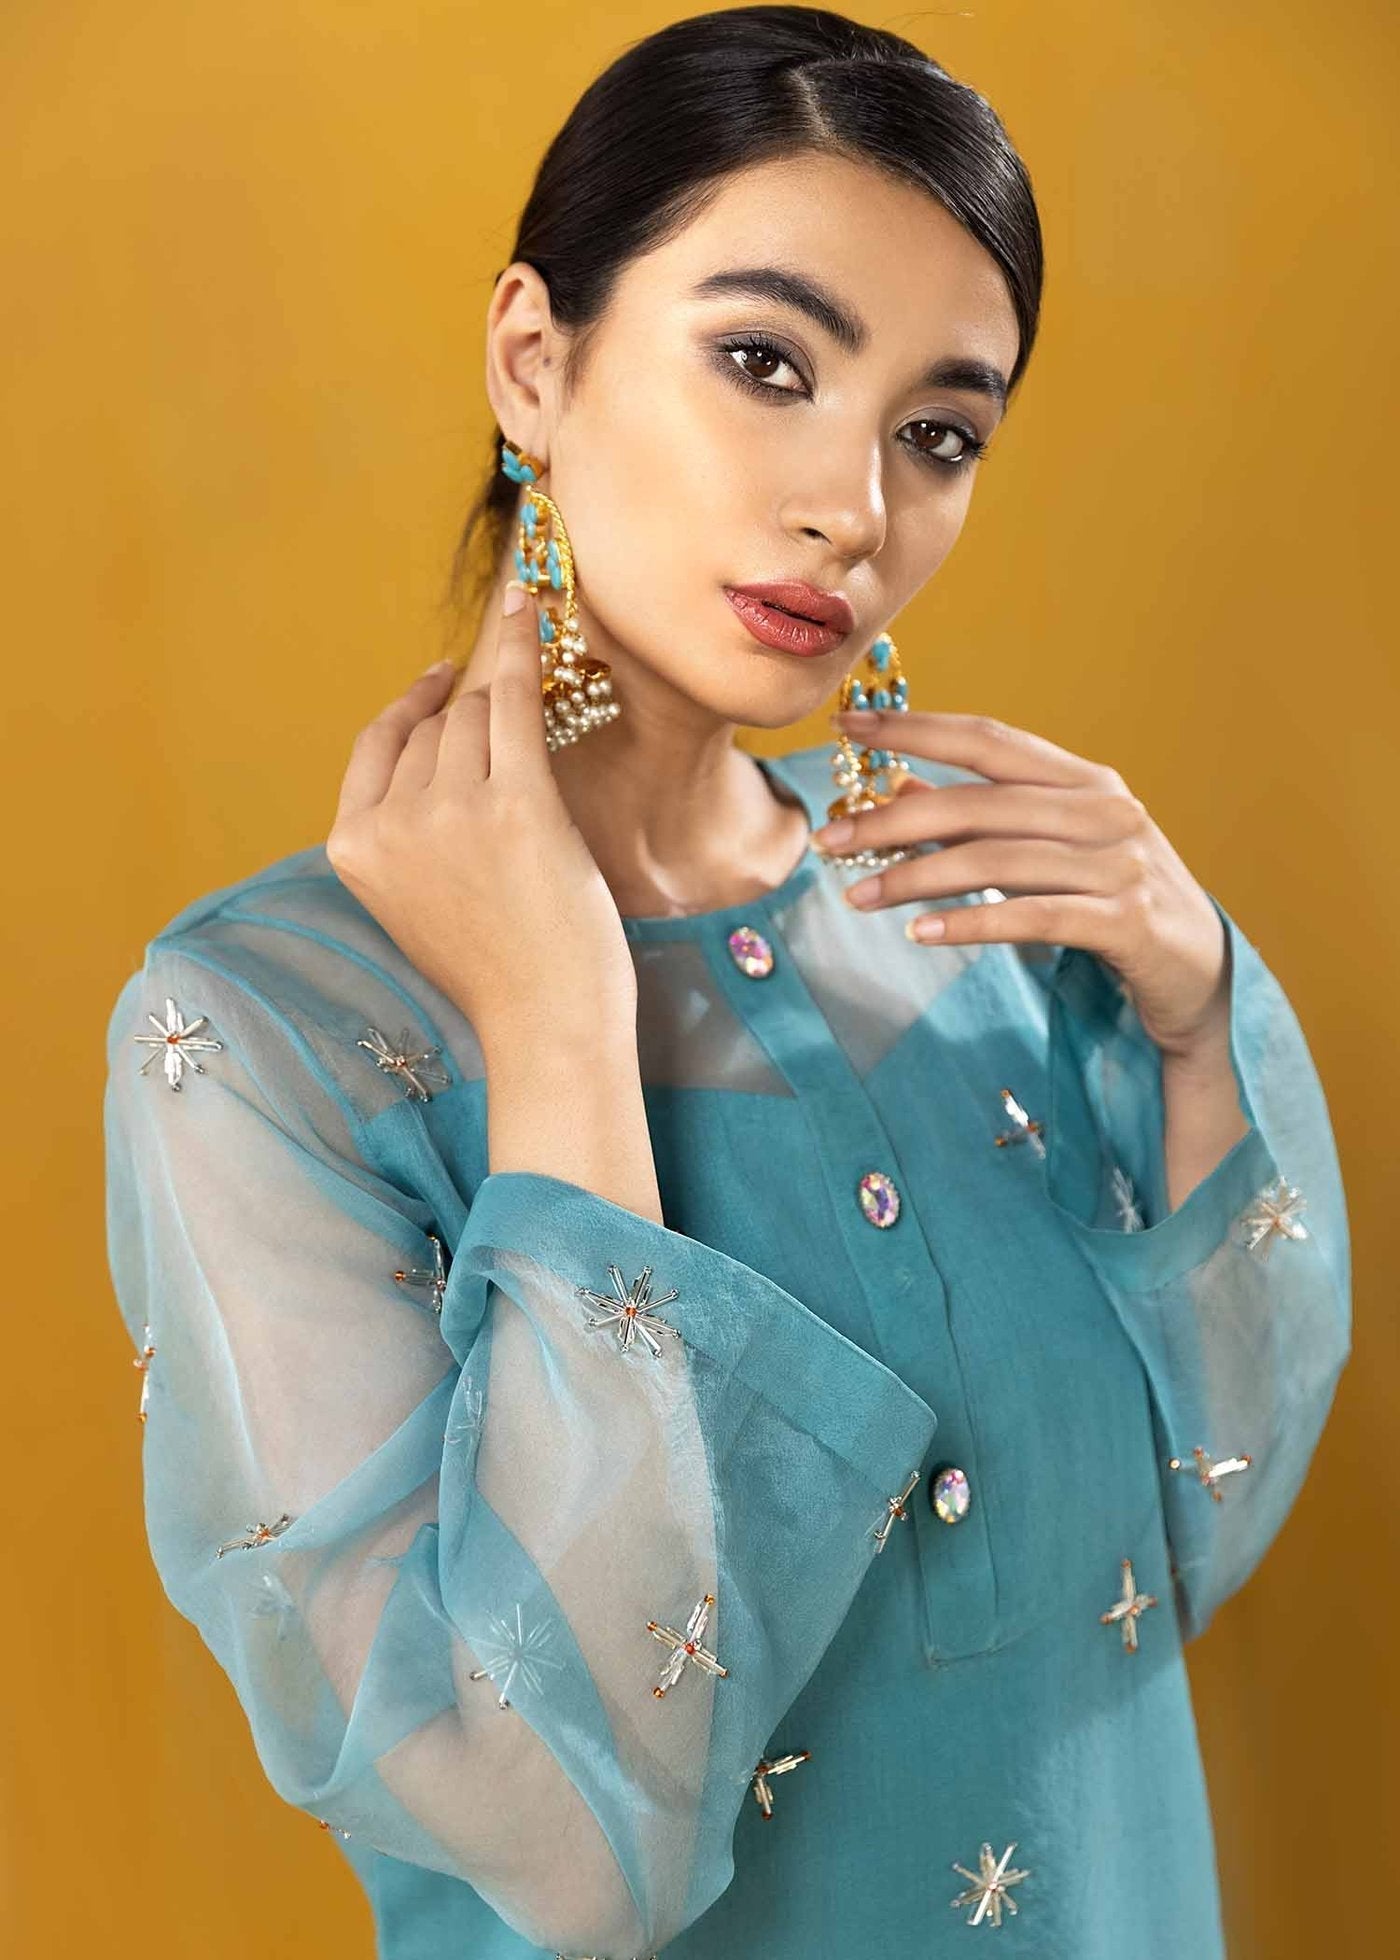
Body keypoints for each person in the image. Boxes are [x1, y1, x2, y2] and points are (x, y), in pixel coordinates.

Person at [102, 8, 1351, 1957]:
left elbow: (1193, 1534)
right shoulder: (268, 1034)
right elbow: (564, 1844)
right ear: (536, 360)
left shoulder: (981, 925)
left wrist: (1195, 1021)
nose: (856, 505)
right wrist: (556, 1030)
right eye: (767, 362)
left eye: (938, 431)